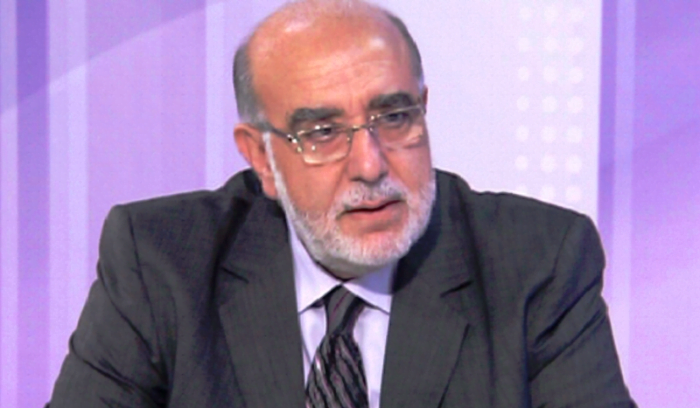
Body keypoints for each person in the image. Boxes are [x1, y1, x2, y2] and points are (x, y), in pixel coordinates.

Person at [48, 0, 635, 406]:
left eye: (394, 116)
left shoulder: (537, 262)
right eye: (322, 133)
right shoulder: (160, 264)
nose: (371, 165)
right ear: (260, 157)